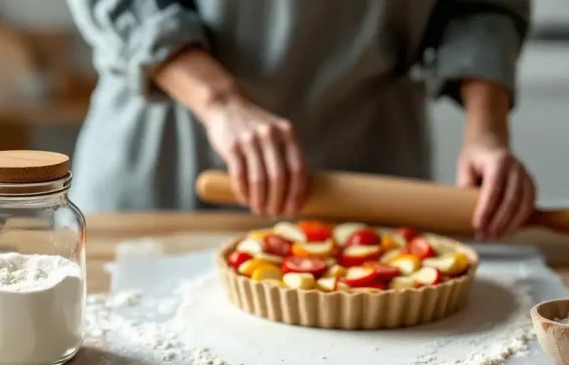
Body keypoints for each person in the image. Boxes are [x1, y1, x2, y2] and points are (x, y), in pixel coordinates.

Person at [66, 0, 535, 240]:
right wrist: (220, 101)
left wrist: (486, 131)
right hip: (165, 155)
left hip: (369, 150)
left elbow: (482, 5)